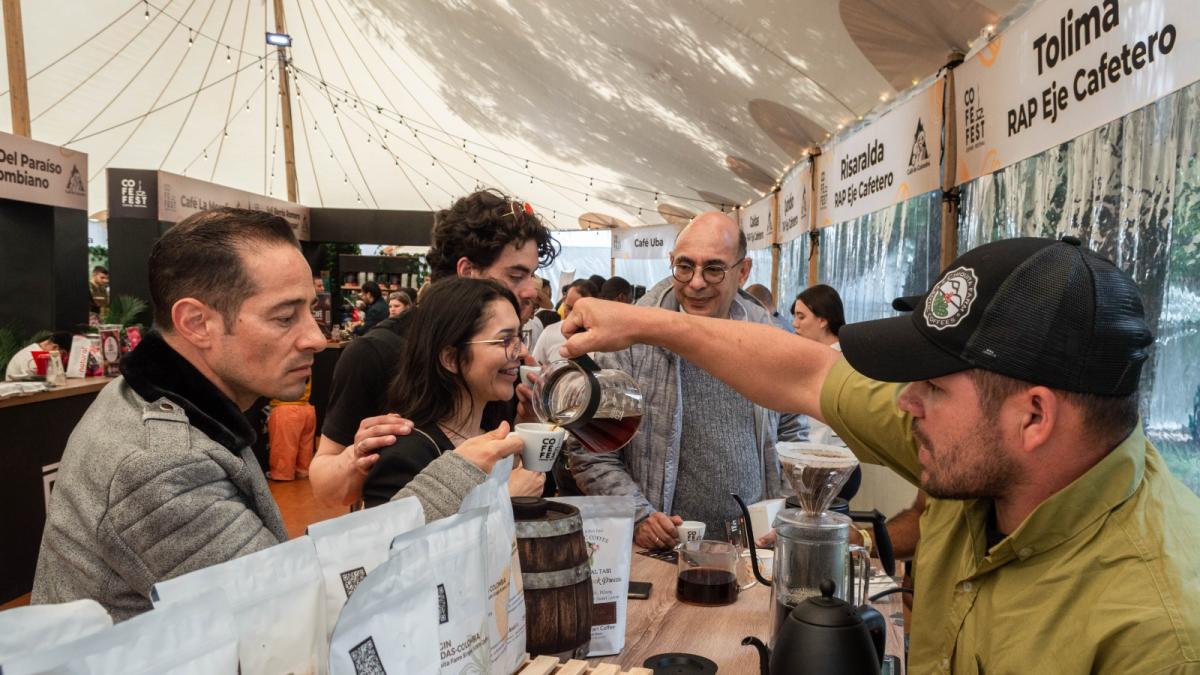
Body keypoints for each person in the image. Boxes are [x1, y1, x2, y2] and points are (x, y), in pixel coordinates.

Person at [560, 236, 1200, 673]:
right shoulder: (984, 446)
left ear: (1033, 416)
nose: (905, 404)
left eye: (934, 388)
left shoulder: (1158, 634)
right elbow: (806, 376)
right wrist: (643, 323)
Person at [567, 211, 805, 548]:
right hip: (662, 554)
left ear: (743, 271)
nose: (695, 282)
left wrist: (786, 513)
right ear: (671, 262)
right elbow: (590, 450)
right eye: (684, 266)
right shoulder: (631, 342)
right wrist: (639, 516)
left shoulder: (767, 341)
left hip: (753, 551)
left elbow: (794, 434)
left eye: (713, 268)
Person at [310, 189, 559, 507]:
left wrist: (529, 420)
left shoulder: (505, 362)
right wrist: (356, 458)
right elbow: (325, 487)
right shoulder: (375, 352)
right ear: (467, 272)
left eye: (533, 276)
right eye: (516, 275)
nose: (530, 291)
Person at [362, 278, 544, 509]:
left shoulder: (497, 428)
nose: (522, 352)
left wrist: (528, 426)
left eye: (519, 338)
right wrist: (503, 500)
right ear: (450, 358)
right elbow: (390, 540)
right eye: (505, 340)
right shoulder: (405, 454)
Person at [791, 284, 846, 446]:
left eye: (801, 317)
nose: (794, 323)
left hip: (836, 457)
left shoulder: (847, 362)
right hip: (803, 451)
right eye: (795, 316)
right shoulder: (802, 357)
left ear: (822, 320)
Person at [532, 279, 596, 365]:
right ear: (564, 301)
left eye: (579, 311)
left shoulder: (603, 338)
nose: (572, 316)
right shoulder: (550, 332)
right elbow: (535, 366)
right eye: (569, 308)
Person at [4, 331, 73, 381]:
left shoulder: (40, 351)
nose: (62, 358)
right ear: (55, 347)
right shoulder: (31, 356)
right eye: (63, 354)